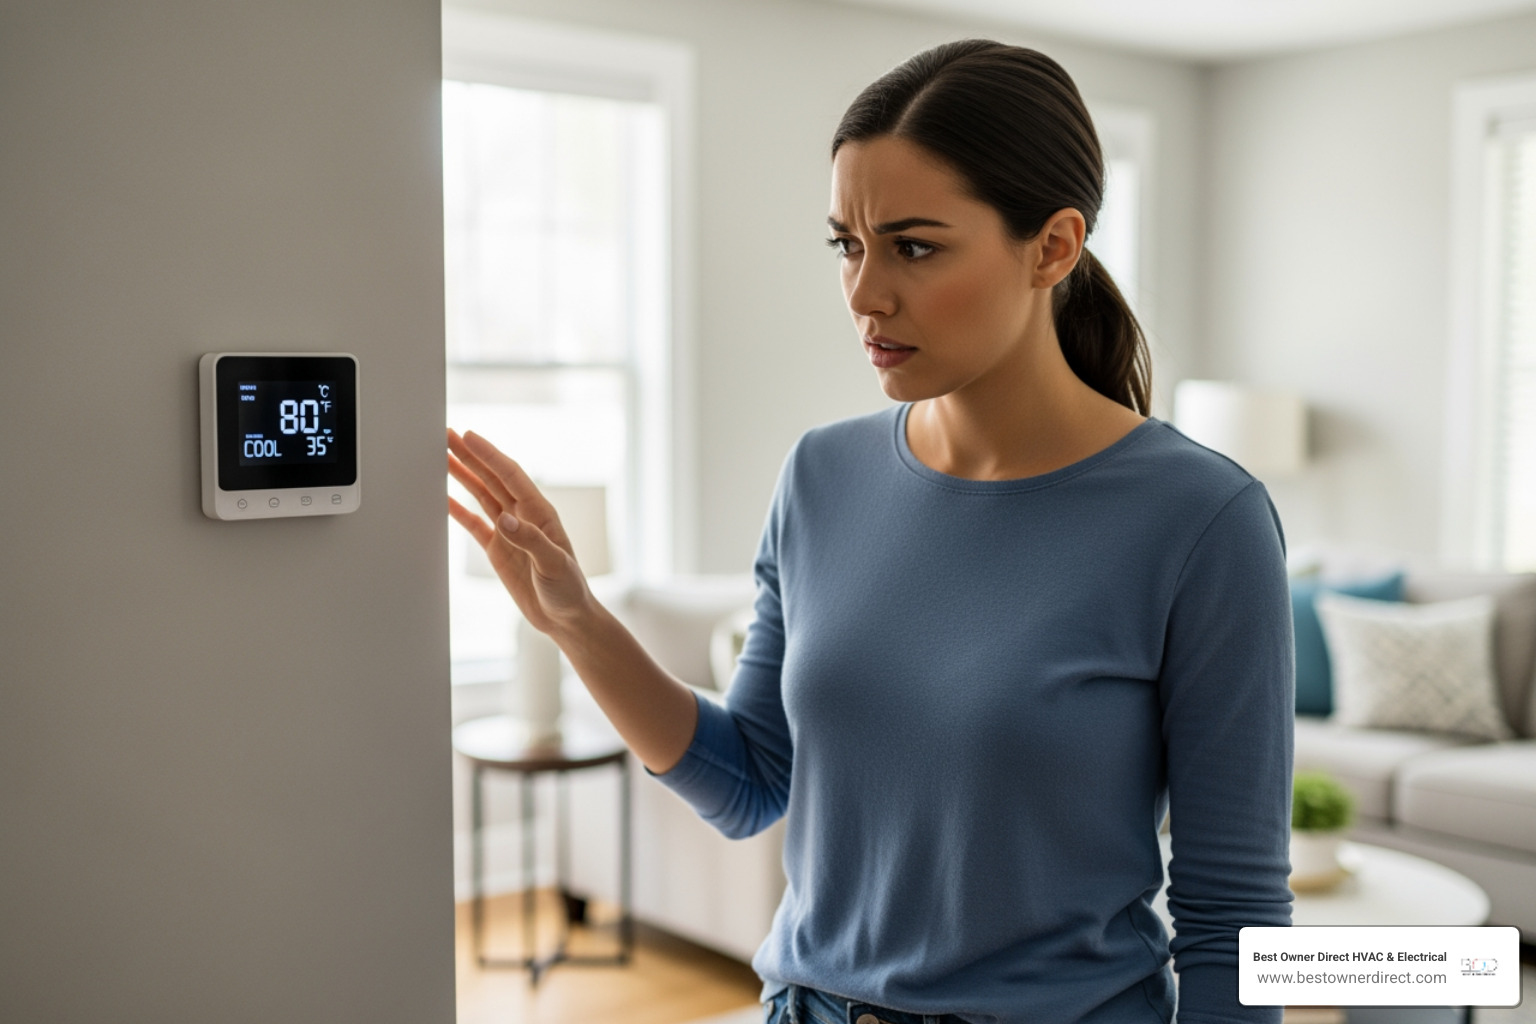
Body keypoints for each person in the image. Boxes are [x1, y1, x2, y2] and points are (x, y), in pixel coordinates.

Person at [447, 38, 1293, 1024]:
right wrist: (578, 619)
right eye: (848, 244)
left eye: (914, 246)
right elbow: (751, 781)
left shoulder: (1201, 521)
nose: (864, 293)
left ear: (1053, 247)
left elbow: (1233, 919)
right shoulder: (821, 474)